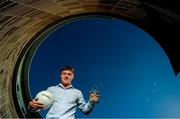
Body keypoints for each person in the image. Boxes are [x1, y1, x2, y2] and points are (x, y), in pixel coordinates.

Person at [28, 65, 100, 119]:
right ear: (60, 75)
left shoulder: (78, 92)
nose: (66, 76)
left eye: (69, 74)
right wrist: (31, 106)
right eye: (64, 73)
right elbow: (40, 106)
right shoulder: (50, 89)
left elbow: (85, 111)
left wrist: (91, 102)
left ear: (73, 77)